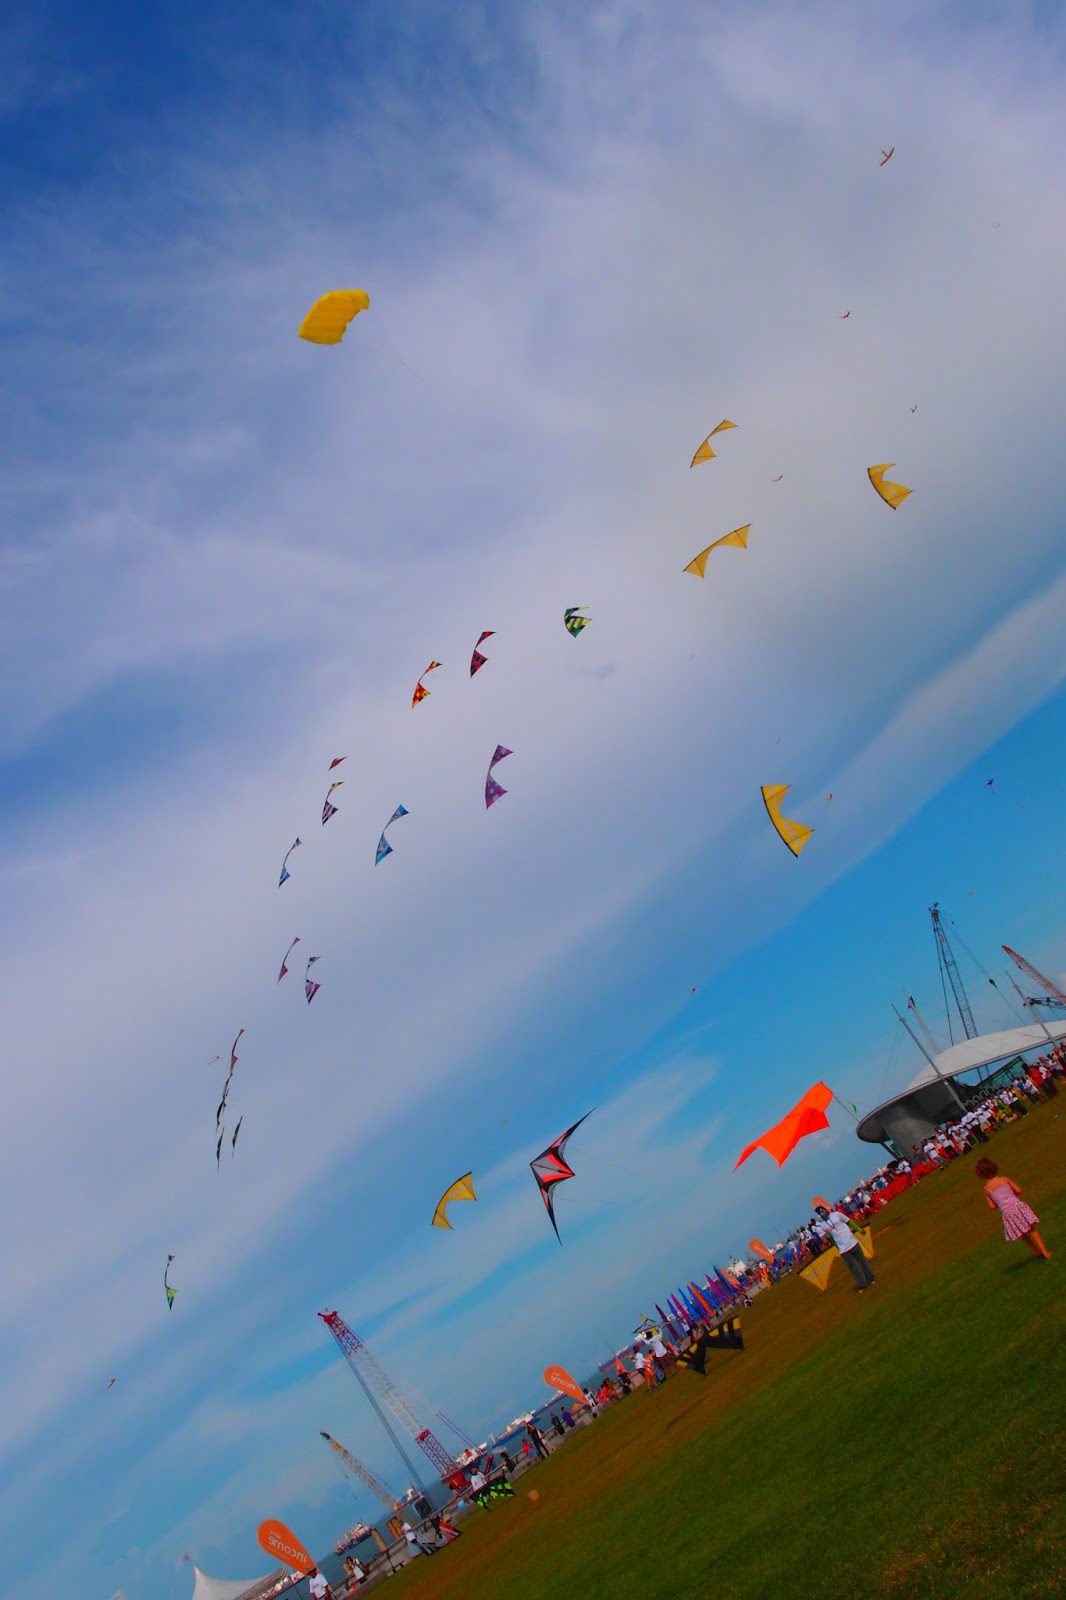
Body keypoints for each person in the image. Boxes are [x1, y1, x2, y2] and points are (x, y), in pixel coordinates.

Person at [975, 1157, 1051, 1258]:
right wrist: (1011, 1195)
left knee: (1021, 1232)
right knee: (1031, 1229)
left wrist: (1000, 1202)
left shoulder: (986, 1190)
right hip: (1017, 1206)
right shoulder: (1004, 1179)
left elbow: (992, 1206)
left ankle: (1036, 1251)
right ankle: (1045, 1252)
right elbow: (1019, 1190)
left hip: (1007, 1212)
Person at [814, 1203, 875, 1291]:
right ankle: (862, 1284)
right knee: (853, 1267)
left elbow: (849, 1221)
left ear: (825, 1210)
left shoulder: (837, 1214)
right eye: (820, 1213)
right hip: (843, 1249)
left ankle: (870, 1278)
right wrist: (837, 1247)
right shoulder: (823, 1225)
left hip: (852, 1242)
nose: (822, 1214)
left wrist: (859, 1229)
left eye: (822, 1211)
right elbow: (830, 1237)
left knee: (862, 1261)